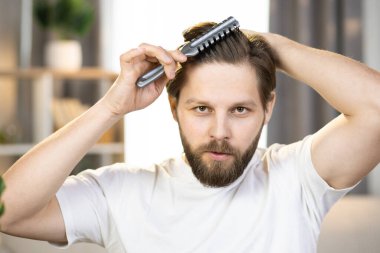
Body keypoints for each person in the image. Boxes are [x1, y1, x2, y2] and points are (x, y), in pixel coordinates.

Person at [0, 21, 379, 253]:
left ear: (269, 107)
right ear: (173, 106)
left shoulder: (296, 178)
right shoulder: (119, 191)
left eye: (240, 110)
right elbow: (8, 208)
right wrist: (110, 109)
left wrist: (269, 44)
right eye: (201, 109)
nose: (219, 132)